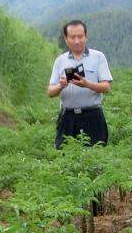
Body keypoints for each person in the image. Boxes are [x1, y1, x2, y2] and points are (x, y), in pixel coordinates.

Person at [48, 20, 112, 149]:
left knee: (96, 155)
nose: (76, 41)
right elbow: (50, 92)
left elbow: (106, 87)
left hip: (93, 115)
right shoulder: (60, 60)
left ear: (86, 37)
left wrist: (87, 84)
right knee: (64, 154)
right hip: (67, 117)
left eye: (80, 36)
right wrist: (61, 85)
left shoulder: (98, 57)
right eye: (72, 37)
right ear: (66, 39)